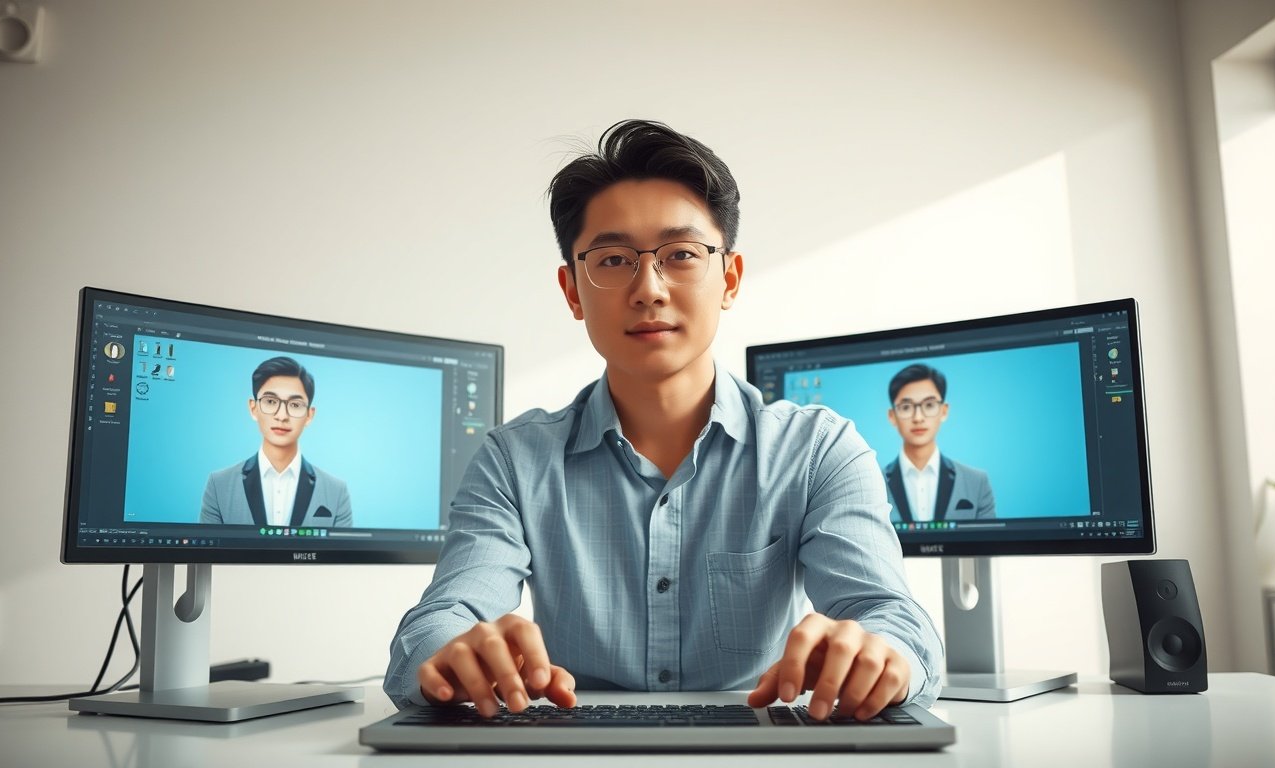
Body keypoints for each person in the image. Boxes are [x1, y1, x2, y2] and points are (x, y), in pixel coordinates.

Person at [384, 120, 941, 722]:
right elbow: (441, 619)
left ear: (728, 279)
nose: (648, 288)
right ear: (573, 291)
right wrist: (452, 651)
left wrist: (883, 654)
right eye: (614, 259)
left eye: (680, 255)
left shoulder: (818, 450)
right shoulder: (514, 460)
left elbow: (893, 617)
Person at [200, 356, 352, 528]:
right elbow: (209, 554)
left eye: (295, 405)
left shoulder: (336, 491)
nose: (282, 416)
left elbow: (339, 555)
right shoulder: (219, 485)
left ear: (309, 415)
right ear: (253, 408)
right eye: (271, 402)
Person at [882, 364, 995, 523]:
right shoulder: (874, 484)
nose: (918, 417)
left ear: (944, 410)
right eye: (906, 407)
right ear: (892, 416)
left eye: (929, 405)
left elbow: (988, 543)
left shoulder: (976, 481)